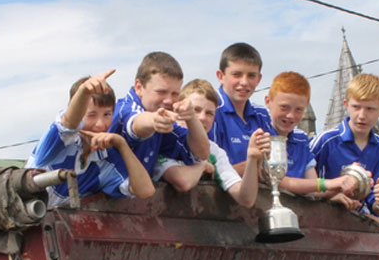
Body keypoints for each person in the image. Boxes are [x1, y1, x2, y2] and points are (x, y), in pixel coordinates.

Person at [27, 70, 155, 206]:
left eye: (107, 114)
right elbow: (69, 124)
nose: (100, 124)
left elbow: (145, 191)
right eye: (91, 115)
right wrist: (83, 91)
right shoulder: (60, 142)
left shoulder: (107, 161)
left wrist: (122, 145)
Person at [153, 79, 271, 208]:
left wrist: (252, 158)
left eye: (209, 113)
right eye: (195, 110)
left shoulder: (214, 151)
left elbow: (246, 199)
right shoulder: (164, 139)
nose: (202, 117)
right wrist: (203, 166)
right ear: (178, 109)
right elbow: (182, 181)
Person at [265, 71, 359, 204]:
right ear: (268, 101)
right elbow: (275, 181)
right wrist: (330, 184)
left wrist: (345, 185)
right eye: (284, 107)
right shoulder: (260, 135)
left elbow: (312, 187)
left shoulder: (301, 139)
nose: (291, 115)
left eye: (298, 110)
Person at [110, 52, 209, 175]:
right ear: (139, 87)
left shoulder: (163, 119)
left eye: (175, 94)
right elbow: (137, 123)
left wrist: (191, 117)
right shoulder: (125, 109)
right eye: (161, 92)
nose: (168, 100)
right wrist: (154, 121)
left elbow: (202, 152)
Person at [310, 73, 379, 216]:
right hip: (317, 217)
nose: (361, 115)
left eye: (370, 109)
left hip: (354, 225)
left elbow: (378, 208)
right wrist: (330, 197)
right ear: (346, 104)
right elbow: (298, 182)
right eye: (356, 107)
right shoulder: (326, 141)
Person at [210, 42, 272, 174]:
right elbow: (209, 171)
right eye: (237, 74)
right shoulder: (210, 110)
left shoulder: (262, 115)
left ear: (259, 79)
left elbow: (275, 164)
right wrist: (254, 163)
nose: (244, 82)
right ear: (220, 76)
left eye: (251, 75)